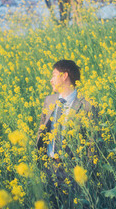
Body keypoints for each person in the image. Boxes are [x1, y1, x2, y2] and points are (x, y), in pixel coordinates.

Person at [36, 59, 97, 208]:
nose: (51, 80)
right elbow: (42, 130)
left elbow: (93, 142)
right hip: (48, 167)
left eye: (54, 75)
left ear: (64, 76)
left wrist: (87, 171)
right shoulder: (49, 100)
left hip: (73, 170)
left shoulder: (88, 105)